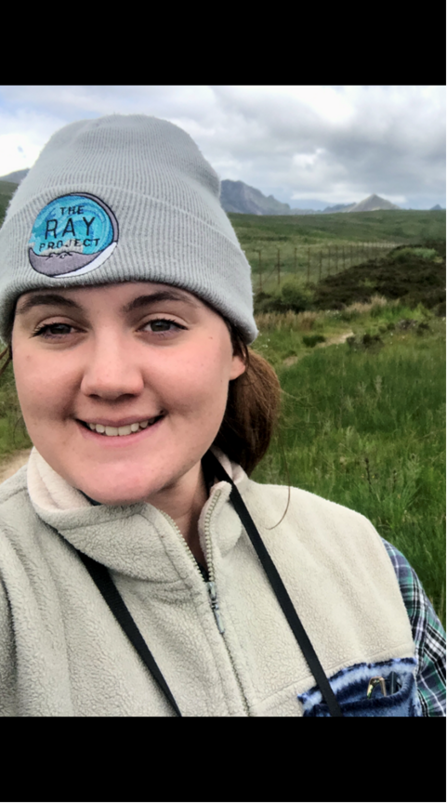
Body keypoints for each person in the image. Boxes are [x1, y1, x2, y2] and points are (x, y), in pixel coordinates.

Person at [0, 115, 445, 717]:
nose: (109, 379)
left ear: (235, 349)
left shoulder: (369, 562)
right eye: (57, 327)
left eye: (160, 323)